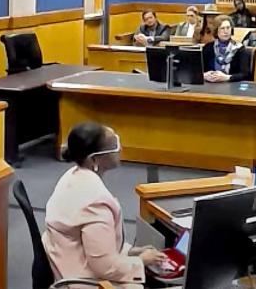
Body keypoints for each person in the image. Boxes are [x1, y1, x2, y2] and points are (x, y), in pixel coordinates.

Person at [43, 122, 167, 289]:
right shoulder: (95, 203)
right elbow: (105, 267)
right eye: (113, 145)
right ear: (94, 159)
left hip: (66, 258)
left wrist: (131, 251)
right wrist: (141, 261)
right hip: (81, 279)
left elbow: (98, 246)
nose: (119, 148)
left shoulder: (71, 176)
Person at [203, 15, 253, 83]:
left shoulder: (239, 49)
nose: (226, 31)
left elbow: (246, 75)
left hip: (231, 86)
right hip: (210, 85)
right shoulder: (208, 48)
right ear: (216, 30)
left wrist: (227, 77)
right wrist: (204, 75)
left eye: (228, 28)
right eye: (222, 28)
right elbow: (198, 70)